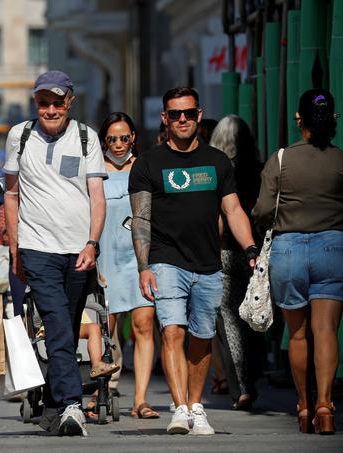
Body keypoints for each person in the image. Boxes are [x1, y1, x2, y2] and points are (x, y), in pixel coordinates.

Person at [128, 87, 257, 436]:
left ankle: (196, 406)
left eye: (187, 113)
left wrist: (250, 250)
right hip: (165, 260)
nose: (181, 119)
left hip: (208, 263)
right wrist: (143, 267)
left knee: (201, 337)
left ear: (199, 116)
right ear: (164, 119)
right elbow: (140, 220)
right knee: (172, 331)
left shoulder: (217, 162)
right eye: (174, 114)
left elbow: (233, 209)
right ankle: (180, 408)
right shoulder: (148, 164)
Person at [3, 70, 107, 437]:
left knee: (70, 322)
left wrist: (92, 243)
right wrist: (15, 248)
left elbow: (97, 196)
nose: (50, 109)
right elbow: (11, 195)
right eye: (43, 102)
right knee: (59, 327)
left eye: (56, 102)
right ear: (35, 103)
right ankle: (72, 406)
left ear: (70, 102)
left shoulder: (86, 137)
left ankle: (52, 405)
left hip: (78, 250)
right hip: (37, 248)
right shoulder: (20, 136)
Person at [253, 88, 343, 435]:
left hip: (289, 250)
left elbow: (262, 210)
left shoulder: (280, 160)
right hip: (333, 248)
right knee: (326, 331)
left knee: (299, 334)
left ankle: (304, 407)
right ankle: (325, 405)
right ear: (332, 119)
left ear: (298, 119)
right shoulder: (339, 160)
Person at [97, 112, 158, 419]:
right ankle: (101, 393)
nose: (118, 145)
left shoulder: (146, 168)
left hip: (139, 259)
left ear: (134, 137)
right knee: (104, 331)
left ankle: (141, 400)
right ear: (103, 140)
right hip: (105, 257)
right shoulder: (94, 170)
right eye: (111, 139)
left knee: (144, 325)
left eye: (124, 138)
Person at [209, 115, 264, 410]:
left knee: (229, 318)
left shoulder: (216, 171)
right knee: (257, 312)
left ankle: (241, 386)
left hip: (224, 250)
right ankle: (255, 372)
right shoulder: (260, 169)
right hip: (256, 250)